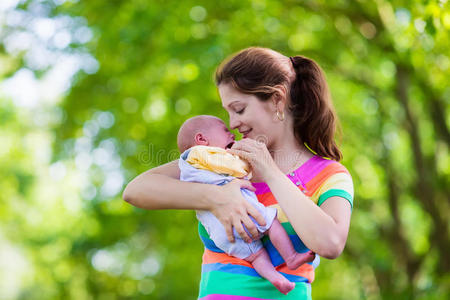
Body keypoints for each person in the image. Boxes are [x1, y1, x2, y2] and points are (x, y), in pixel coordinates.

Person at [123, 47, 354, 299]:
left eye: (239, 109)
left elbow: (330, 243)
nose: (232, 123)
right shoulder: (224, 162)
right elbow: (136, 190)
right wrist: (217, 197)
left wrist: (271, 173)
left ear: (277, 99)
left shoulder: (330, 174)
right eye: (228, 112)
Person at [177, 115, 315, 295]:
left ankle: (276, 279)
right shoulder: (202, 155)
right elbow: (233, 167)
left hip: (221, 232)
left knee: (256, 256)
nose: (232, 134)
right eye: (225, 130)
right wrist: (248, 161)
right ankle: (291, 257)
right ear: (202, 139)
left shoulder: (188, 167)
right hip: (241, 213)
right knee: (271, 222)